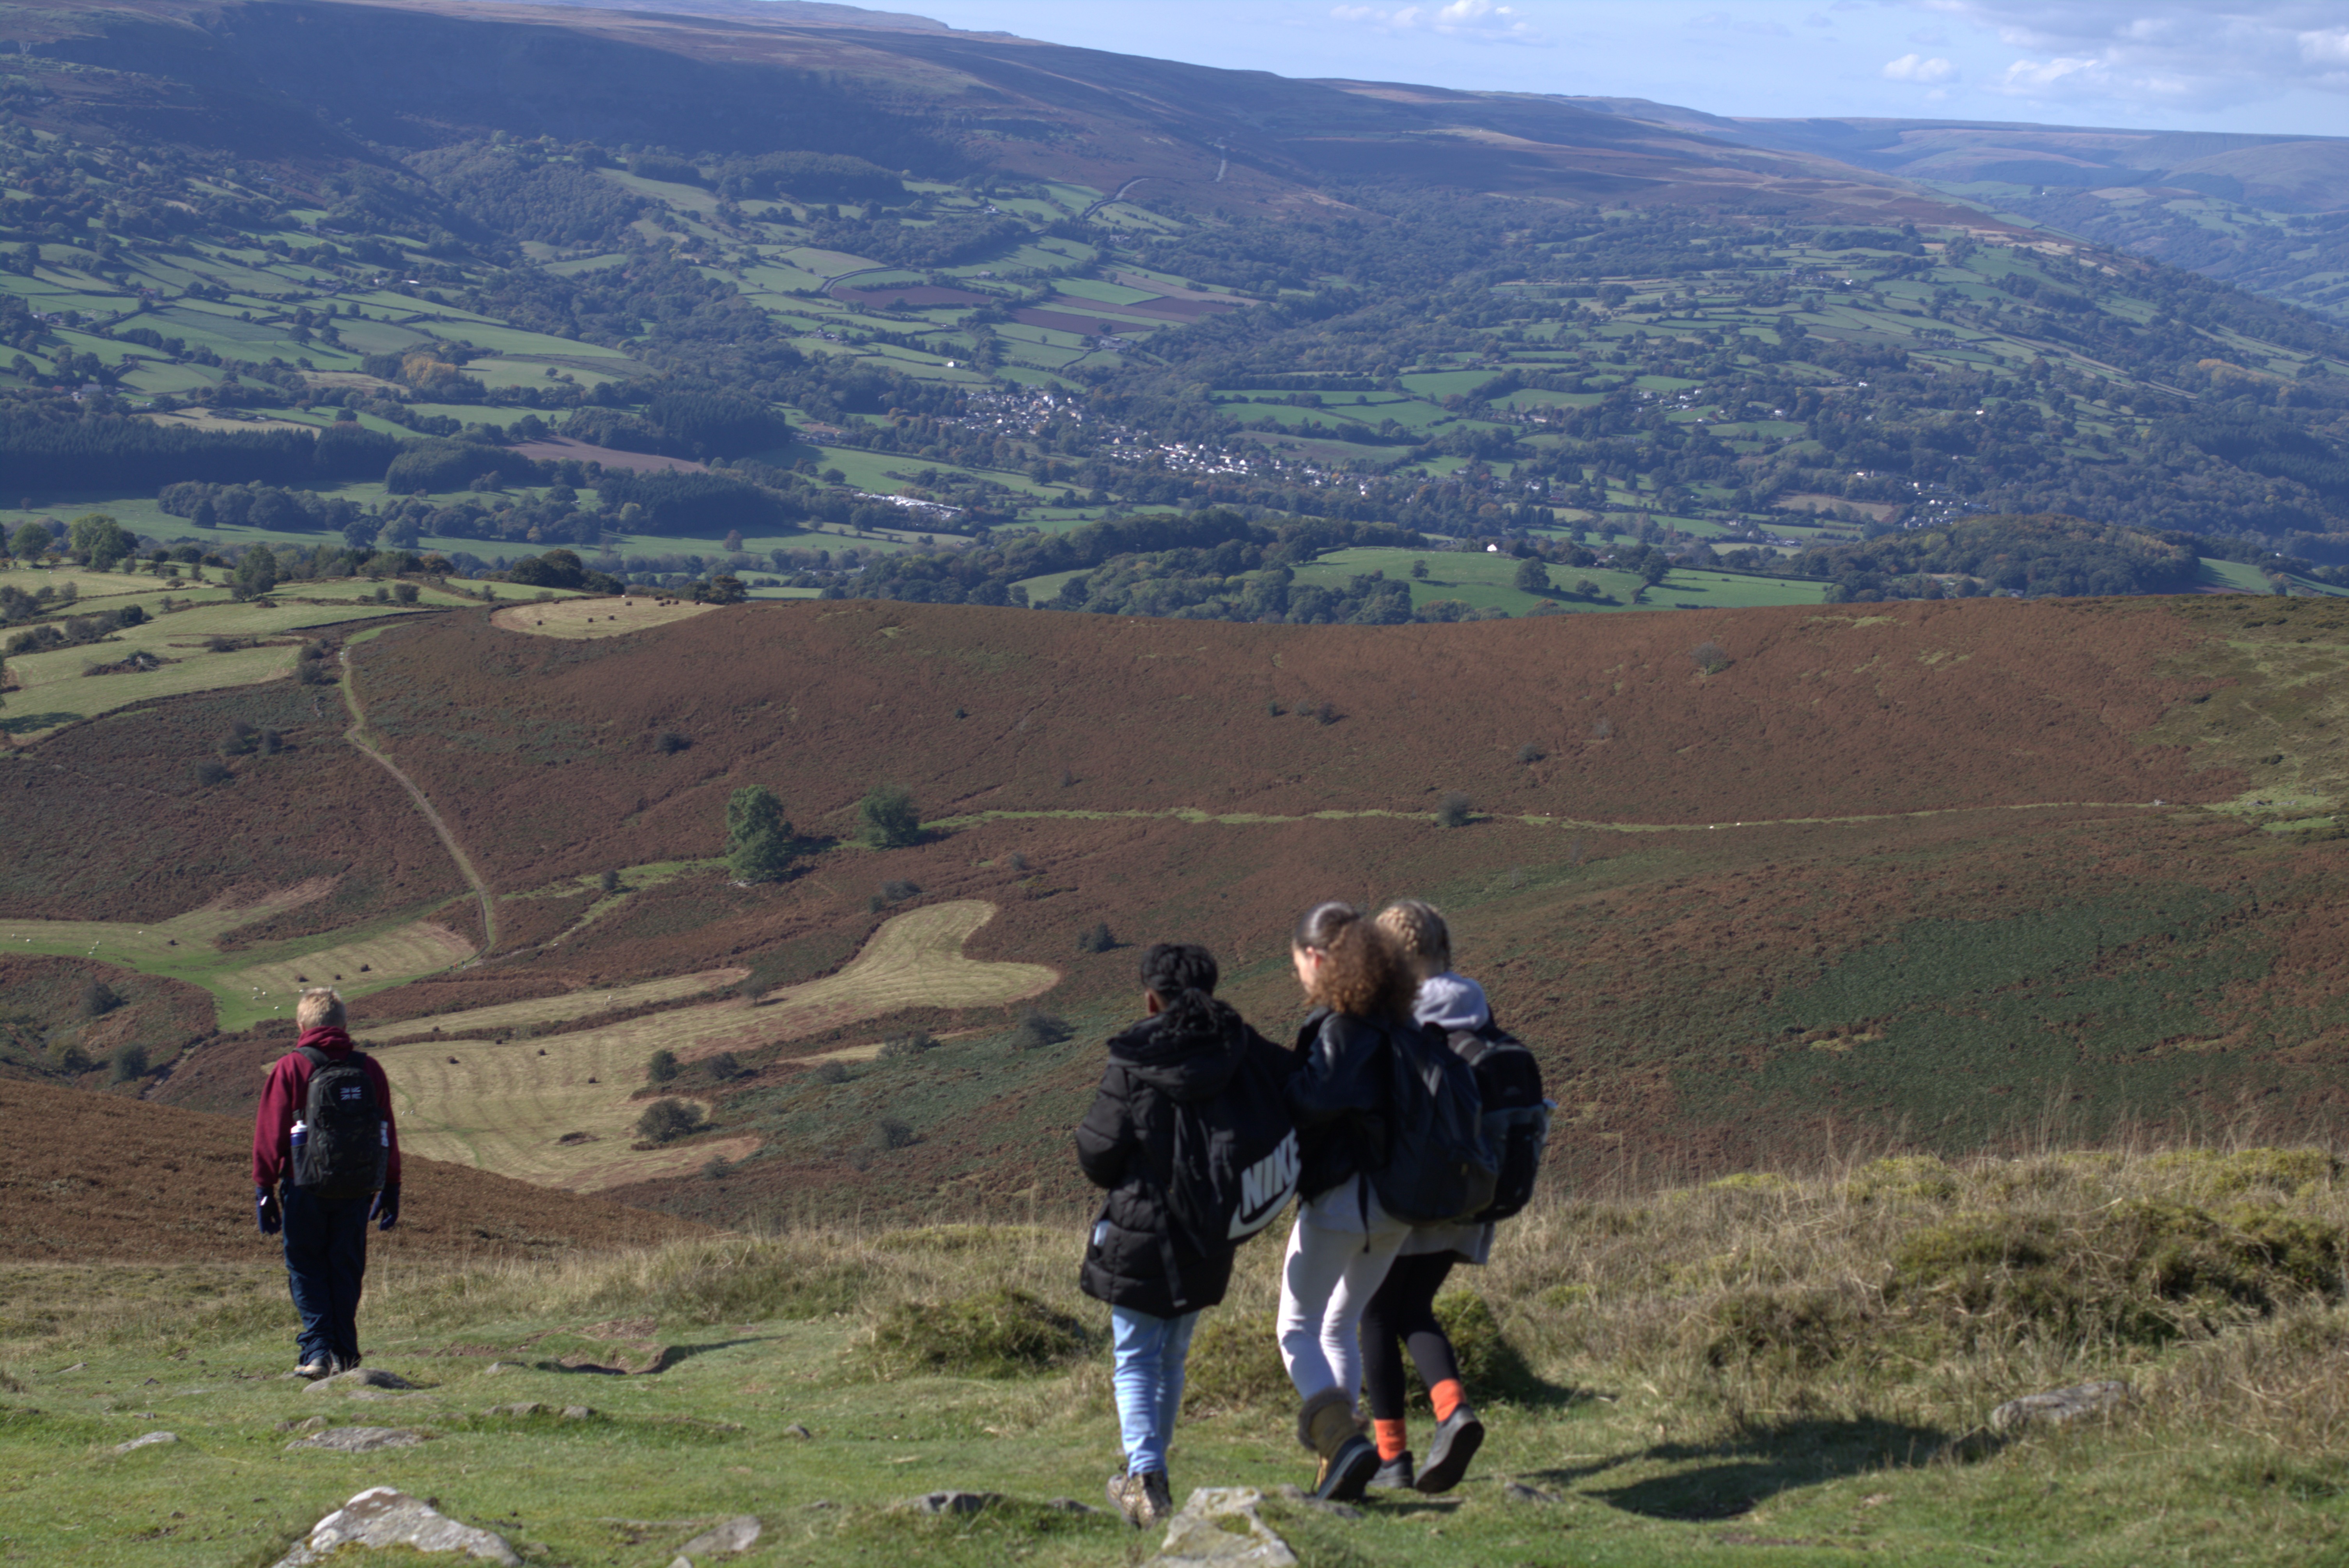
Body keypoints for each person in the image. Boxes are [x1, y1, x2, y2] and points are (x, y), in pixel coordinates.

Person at [1077, 942, 1292, 1529]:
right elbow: (1295, 1089)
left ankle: (1146, 1478)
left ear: (1150, 998)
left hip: (1143, 1225)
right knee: (1171, 1354)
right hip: (1211, 1232)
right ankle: (1153, 1475)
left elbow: (1098, 1151)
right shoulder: (1242, 1047)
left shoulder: (1136, 1057)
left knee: (1135, 1357)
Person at [1275, 900, 1423, 1503]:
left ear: (1316, 958)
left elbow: (1312, 1102)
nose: (1300, 977)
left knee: (1296, 1329)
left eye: (1298, 964)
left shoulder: (1341, 1025)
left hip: (1343, 1200)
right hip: (1397, 1208)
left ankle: (1342, 1444)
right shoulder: (1400, 1022)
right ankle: (1341, 1474)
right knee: (1340, 1325)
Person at [1360, 899, 1495, 1494]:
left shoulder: (1397, 1017)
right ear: (1444, 948)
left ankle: (1393, 1459)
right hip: (1472, 1190)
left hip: (1409, 1191)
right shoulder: (1477, 1008)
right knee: (1411, 1308)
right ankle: (1452, 1411)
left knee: (1375, 1312)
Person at [252, 988, 401, 1378]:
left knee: (306, 1267)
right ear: (344, 1025)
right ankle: (346, 1352)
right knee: (346, 1268)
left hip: (304, 1186)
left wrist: (264, 1188)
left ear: (301, 1026)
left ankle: (317, 1351)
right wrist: (391, 1186)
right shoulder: (370, 1069)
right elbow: (386, 1131)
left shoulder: (290, 1068)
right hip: (357, 1189)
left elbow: (270, 1132)